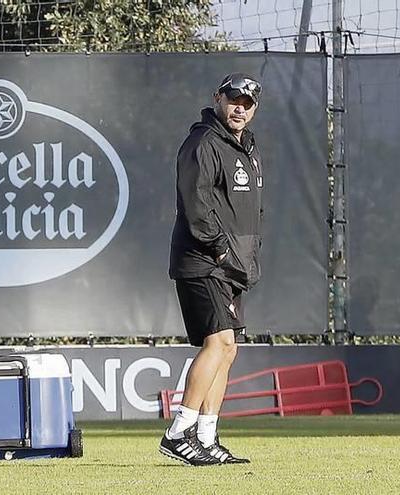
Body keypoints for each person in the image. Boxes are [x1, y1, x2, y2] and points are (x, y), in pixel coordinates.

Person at [159, 73, 264, 465]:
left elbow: (250, 211)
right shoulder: (202, 142)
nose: (240, 107)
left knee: (229, 349)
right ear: (218, 98)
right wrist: (220, 251)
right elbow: (195, 204)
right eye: (234, 99)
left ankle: (206, 436)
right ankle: (179, 431)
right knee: (218, 343)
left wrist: (245, 257)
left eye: (248, 103)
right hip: (202, 261)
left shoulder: (247, 148)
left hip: (232, 265)